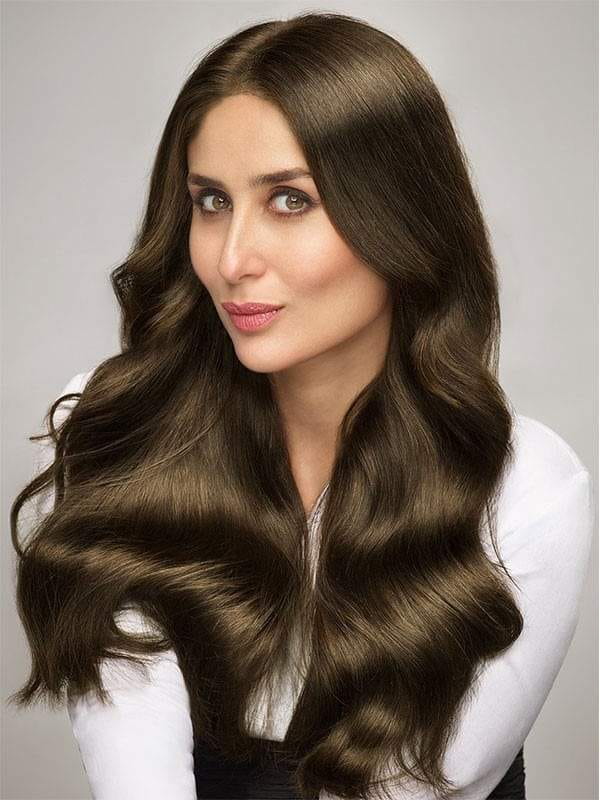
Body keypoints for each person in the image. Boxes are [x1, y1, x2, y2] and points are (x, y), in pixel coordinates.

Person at [9, 11, 593, 800]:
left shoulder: (524, 490)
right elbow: (135, 774)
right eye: (210, 201)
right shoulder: (110, 429)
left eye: (290, 200)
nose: (232, 259)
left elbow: (414, 787)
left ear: (403, 219)